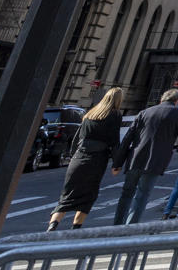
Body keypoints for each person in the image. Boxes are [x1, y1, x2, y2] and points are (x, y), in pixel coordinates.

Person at [111, 89, 178, 225]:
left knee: (126, 194)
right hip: (155, 161)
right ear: (176, 101)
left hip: (135, 158)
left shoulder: (145, 112)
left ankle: (117, 225)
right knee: (142, 196)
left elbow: (127, 138)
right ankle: (130, 228)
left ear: (162, 99)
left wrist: (117, 163)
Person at [49, 87, 125, 231]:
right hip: (96, 160)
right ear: (118, 100)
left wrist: (73, 157)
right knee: (88, 196)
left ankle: (52, 226)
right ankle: (76, 228)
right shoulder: (115, 115)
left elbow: (77, 138)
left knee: (67, 196)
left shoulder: (91, 114)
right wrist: (117, 163)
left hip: (78, 158)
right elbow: (114, 141)